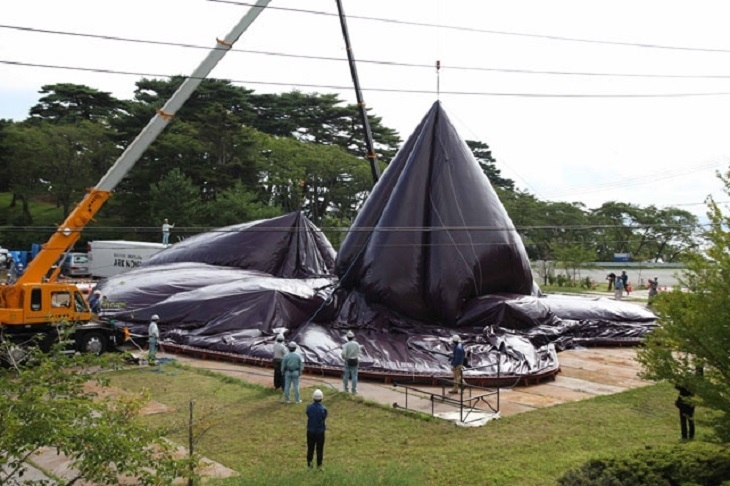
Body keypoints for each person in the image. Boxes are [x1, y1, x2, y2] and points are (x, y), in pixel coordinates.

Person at [306, 389, 327, 470]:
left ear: (313, 398)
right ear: (322, 398)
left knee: (310, 448)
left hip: (310, 431)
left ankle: (309, 465)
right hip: (320, 432)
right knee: (320, 449)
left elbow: (308, 414)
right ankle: (319, 465)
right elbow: (324, 417)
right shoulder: (324, 409)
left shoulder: (309, 407)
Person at [341, 330, 360, 394]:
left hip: (348, 361)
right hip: (355, 361)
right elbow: (358, 351)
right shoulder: (357, 344)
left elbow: (343, 354)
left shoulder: (346, 345)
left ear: (347, 337)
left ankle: (346, 390)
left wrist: (345, 358)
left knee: (346, 375)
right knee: (354, 376)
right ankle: (354, 391)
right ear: (353, 337)